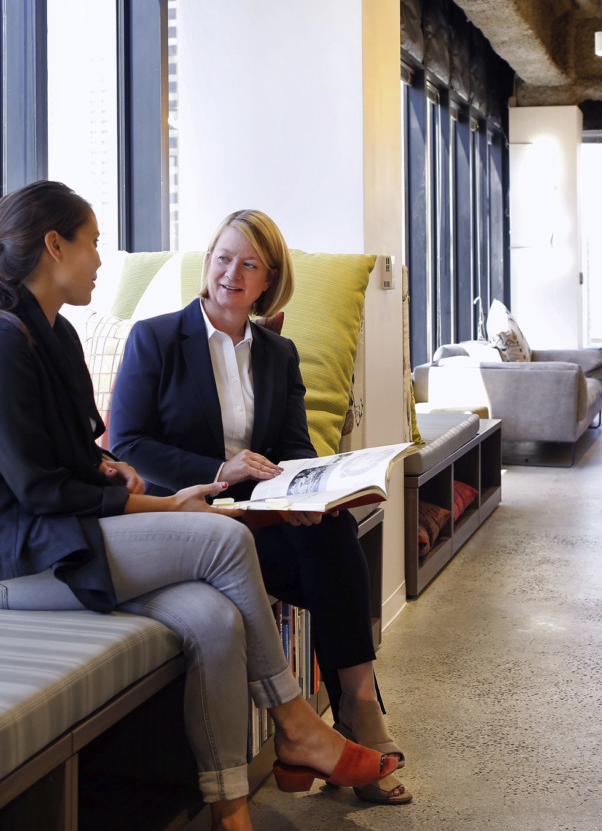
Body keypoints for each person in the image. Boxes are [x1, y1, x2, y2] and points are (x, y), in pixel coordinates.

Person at [0, 183, 397, 831]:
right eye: (93, 243)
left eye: (250, 265)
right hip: (12, 556)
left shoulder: (55, 337)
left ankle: (231, 810)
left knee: (215, 618)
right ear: (53, 245)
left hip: (64, 535)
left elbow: (73, 455)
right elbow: (37, 491)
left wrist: (111, 471)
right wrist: (149, 498)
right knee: (222, 540)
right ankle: (297, 725)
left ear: (268, 281)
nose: (101, 259)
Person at [107, 209, 413, 806]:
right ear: (207, 261)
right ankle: (348, 725)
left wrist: (305, 491)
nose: (231, 273)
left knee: (333, 530)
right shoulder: (158, 338)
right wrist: (219, 471)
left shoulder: (279, 352)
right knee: (332, 567)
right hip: (192, 514)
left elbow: (295, 447)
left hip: (261, 514)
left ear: (268, 279)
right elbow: (128, 444)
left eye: (249, 264)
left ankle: (355, 705)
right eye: (223, 257)